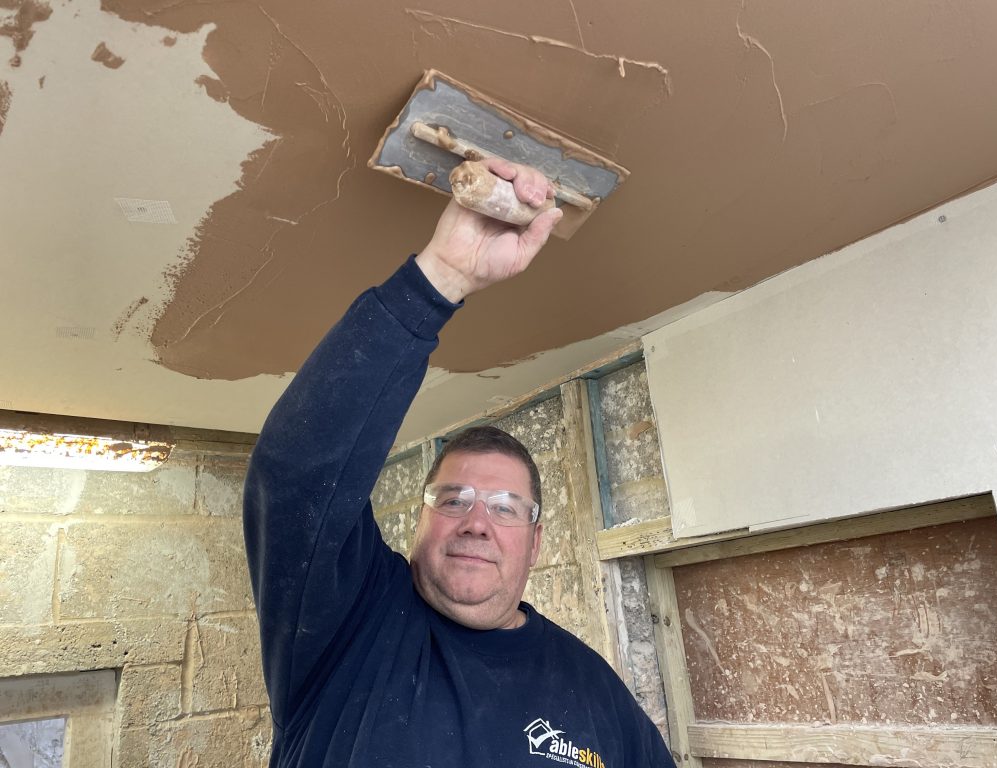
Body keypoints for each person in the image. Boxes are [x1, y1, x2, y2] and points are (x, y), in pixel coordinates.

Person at [243, 158, 676, 768]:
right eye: (454, 500)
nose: (477, 523)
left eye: (505, 508)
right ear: (419, 523)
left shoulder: (595, 690)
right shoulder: (346, 625)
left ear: (536, 541)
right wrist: (441, 277)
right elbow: (297, 472)